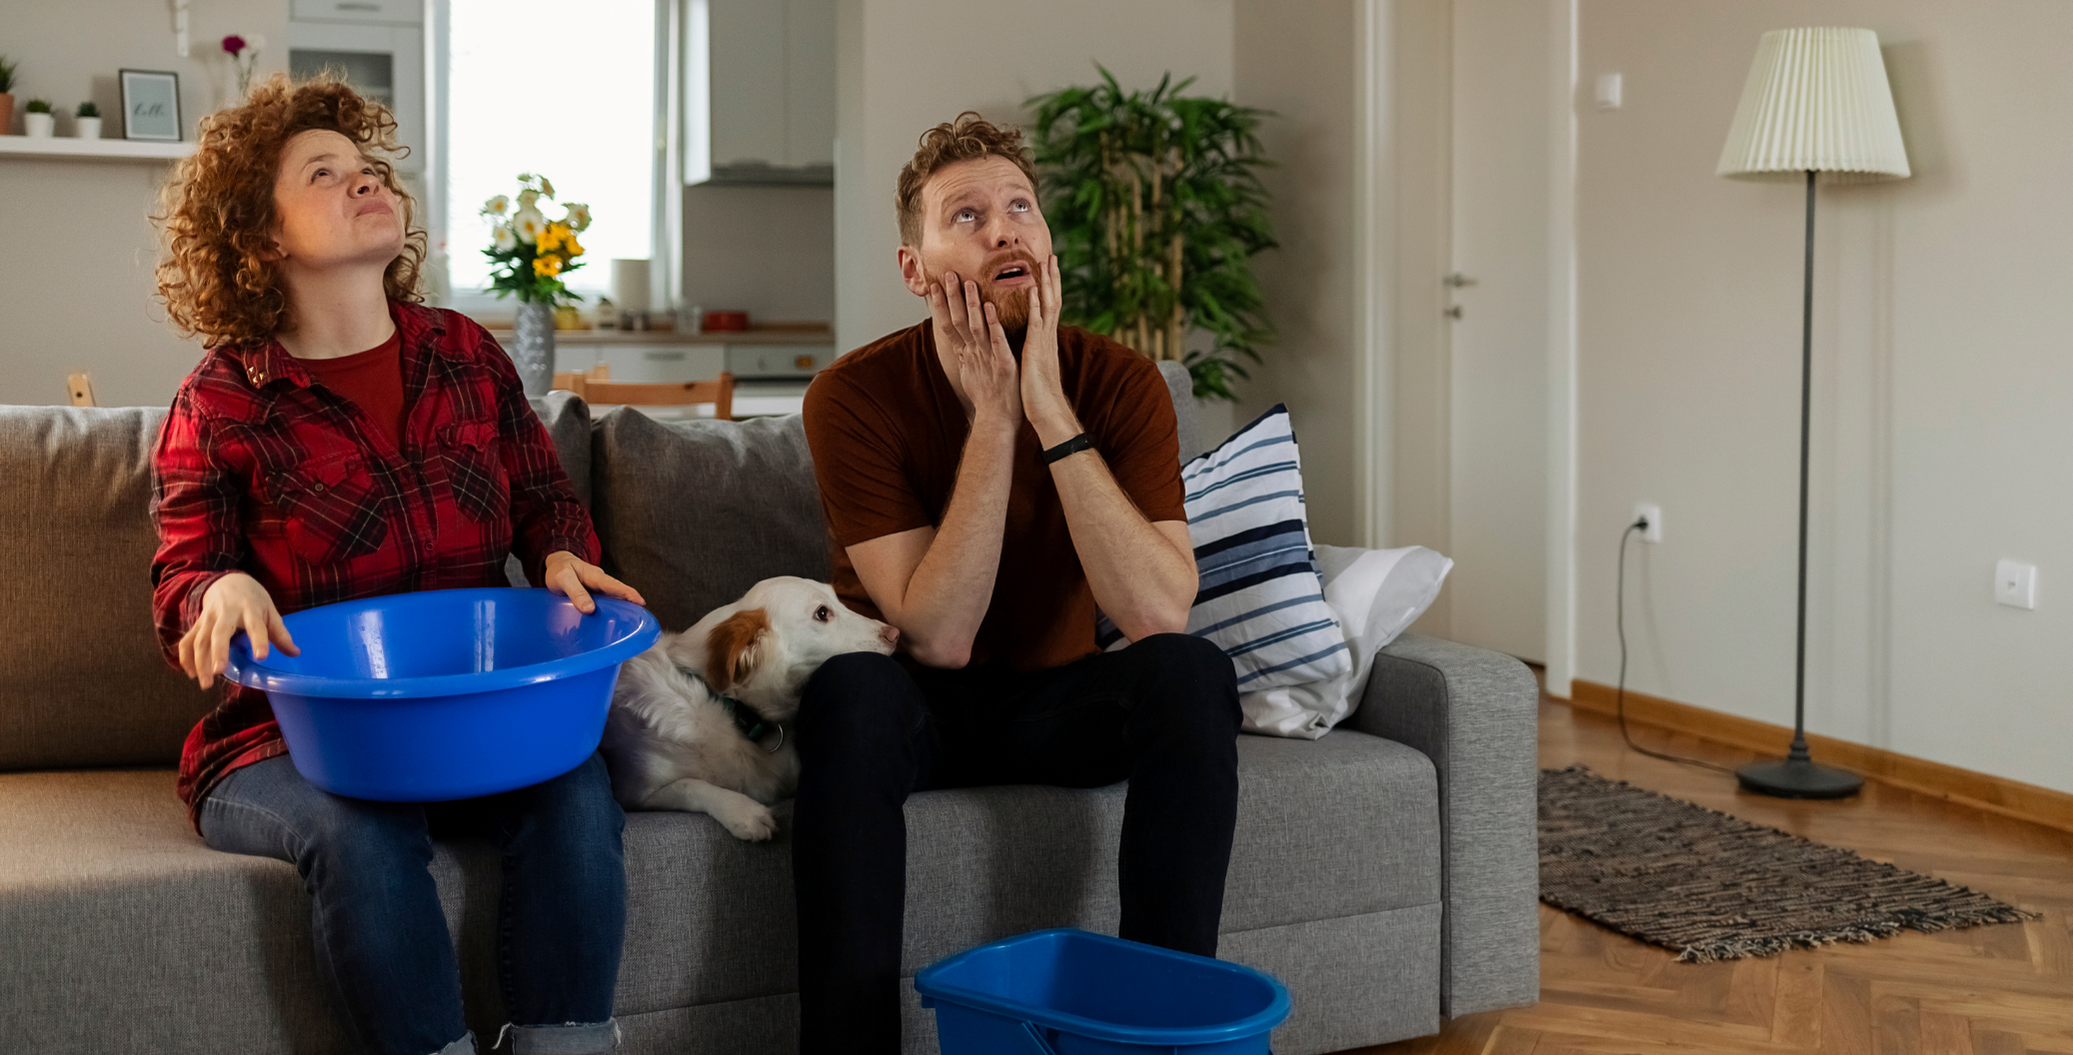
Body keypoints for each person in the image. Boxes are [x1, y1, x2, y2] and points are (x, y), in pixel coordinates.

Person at [149, 75, 643, 1055]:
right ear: (261, 238)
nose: (365, 181)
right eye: (325, 174)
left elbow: (546, 498)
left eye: (369, 168)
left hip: (471, 717)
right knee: (361, 835)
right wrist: (223, 587)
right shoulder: (218, 399)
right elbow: (182, 586)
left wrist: (561, 553)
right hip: (293, 739)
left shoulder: (465, 352)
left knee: (580, 796)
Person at [796, 112, 1241, 1052]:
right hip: (912, 704)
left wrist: (1045, 405)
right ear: (915, 269)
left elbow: (1158, 609)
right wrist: (994, 419)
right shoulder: (851, 395)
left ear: (1044, 241)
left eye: (1019, 208)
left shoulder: (1121, 382)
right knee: (849, 688)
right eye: (966, 215)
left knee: (1190, 671)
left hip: (1056, 701)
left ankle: (1157, 1034)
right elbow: (937, 636)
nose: (1003, 229)